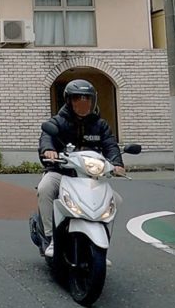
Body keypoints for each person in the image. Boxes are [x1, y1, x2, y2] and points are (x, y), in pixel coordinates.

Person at [37, 79, 125, 257]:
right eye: (78, 99)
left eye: (87, 99)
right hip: (61, 172)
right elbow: (46, 137)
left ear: (93, 101)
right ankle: (50, 237)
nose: (83, 103)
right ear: (69, 101)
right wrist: (48, 150)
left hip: (90, 176)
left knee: (115, 200)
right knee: (45, 188)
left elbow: (110, 145)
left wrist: (117, 163)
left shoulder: (100, 125)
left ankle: (101, 246)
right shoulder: (58, 122)